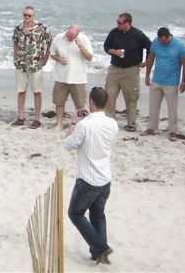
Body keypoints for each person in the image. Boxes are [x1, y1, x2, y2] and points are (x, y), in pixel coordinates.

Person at [64, 87, 118, 265]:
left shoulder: (84, 125)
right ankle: (99, 254)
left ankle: (101, 248)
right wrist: (84, 120)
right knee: (98, 215)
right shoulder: (112, 123)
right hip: (105, 178)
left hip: (88, 180)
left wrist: (74, 123)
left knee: (75, 213)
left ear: (91, 102)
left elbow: (68, 144)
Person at [103, 12, 151, 132]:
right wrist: (114, 51)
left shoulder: (138, 34)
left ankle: (131, 123)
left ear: (127, 23)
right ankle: (109, 121)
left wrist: (146, 62)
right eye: (117, 22)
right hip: (114, 68)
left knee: (131, 97)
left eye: (120, 22)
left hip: (131, 70)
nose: (117, 24)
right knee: (109, 95)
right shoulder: (114, 32)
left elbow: (150, 47)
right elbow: (106, 46)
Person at [141, 27, 185, 141]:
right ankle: (151, 128)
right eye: (160, 40)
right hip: (157, 80)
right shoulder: (156, 42)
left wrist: (183, 82)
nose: (161, 43)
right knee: (153, 105)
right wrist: (147, 75)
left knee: (172, 108)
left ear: (168, 37)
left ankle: (172, 131)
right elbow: (151, 58)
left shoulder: (180, 46)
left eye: (163, 41)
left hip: (171, 82)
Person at [11, 6, 53, 129]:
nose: (27, 17)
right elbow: (15, 41)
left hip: (35, 65)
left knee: (37, 92)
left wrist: (46, 57)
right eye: (25, 15)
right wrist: (15, 56)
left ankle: (37, 119)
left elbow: (51, 41)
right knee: (21, 91)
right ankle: (20, 117)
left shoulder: (41, 27)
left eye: (29, 15)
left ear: (33, 16)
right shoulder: (18, 28)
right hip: (21, 64)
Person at [51, 25, 94, 130]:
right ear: (66, 31)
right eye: (68, 35)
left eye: (72, 36)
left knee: (80, 104)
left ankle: (78, 125)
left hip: (78, 77)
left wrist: (80, 47)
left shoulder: (84, 39)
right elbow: (52, 54)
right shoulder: (59, 38)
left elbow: (89, 57)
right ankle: (59, 124)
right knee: (59, 102)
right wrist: (59, 59)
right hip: (61, 76)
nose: (69, 38)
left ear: (77, 34)